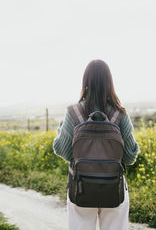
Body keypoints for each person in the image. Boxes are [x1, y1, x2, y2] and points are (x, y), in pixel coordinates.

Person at [53, 59, 140, 230]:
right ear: (110, 82)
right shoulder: (120, 114)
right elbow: (130, 157)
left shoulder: (74, 112)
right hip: (114, 188)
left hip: (80, 187)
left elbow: (61, 149)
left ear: (85, 82)